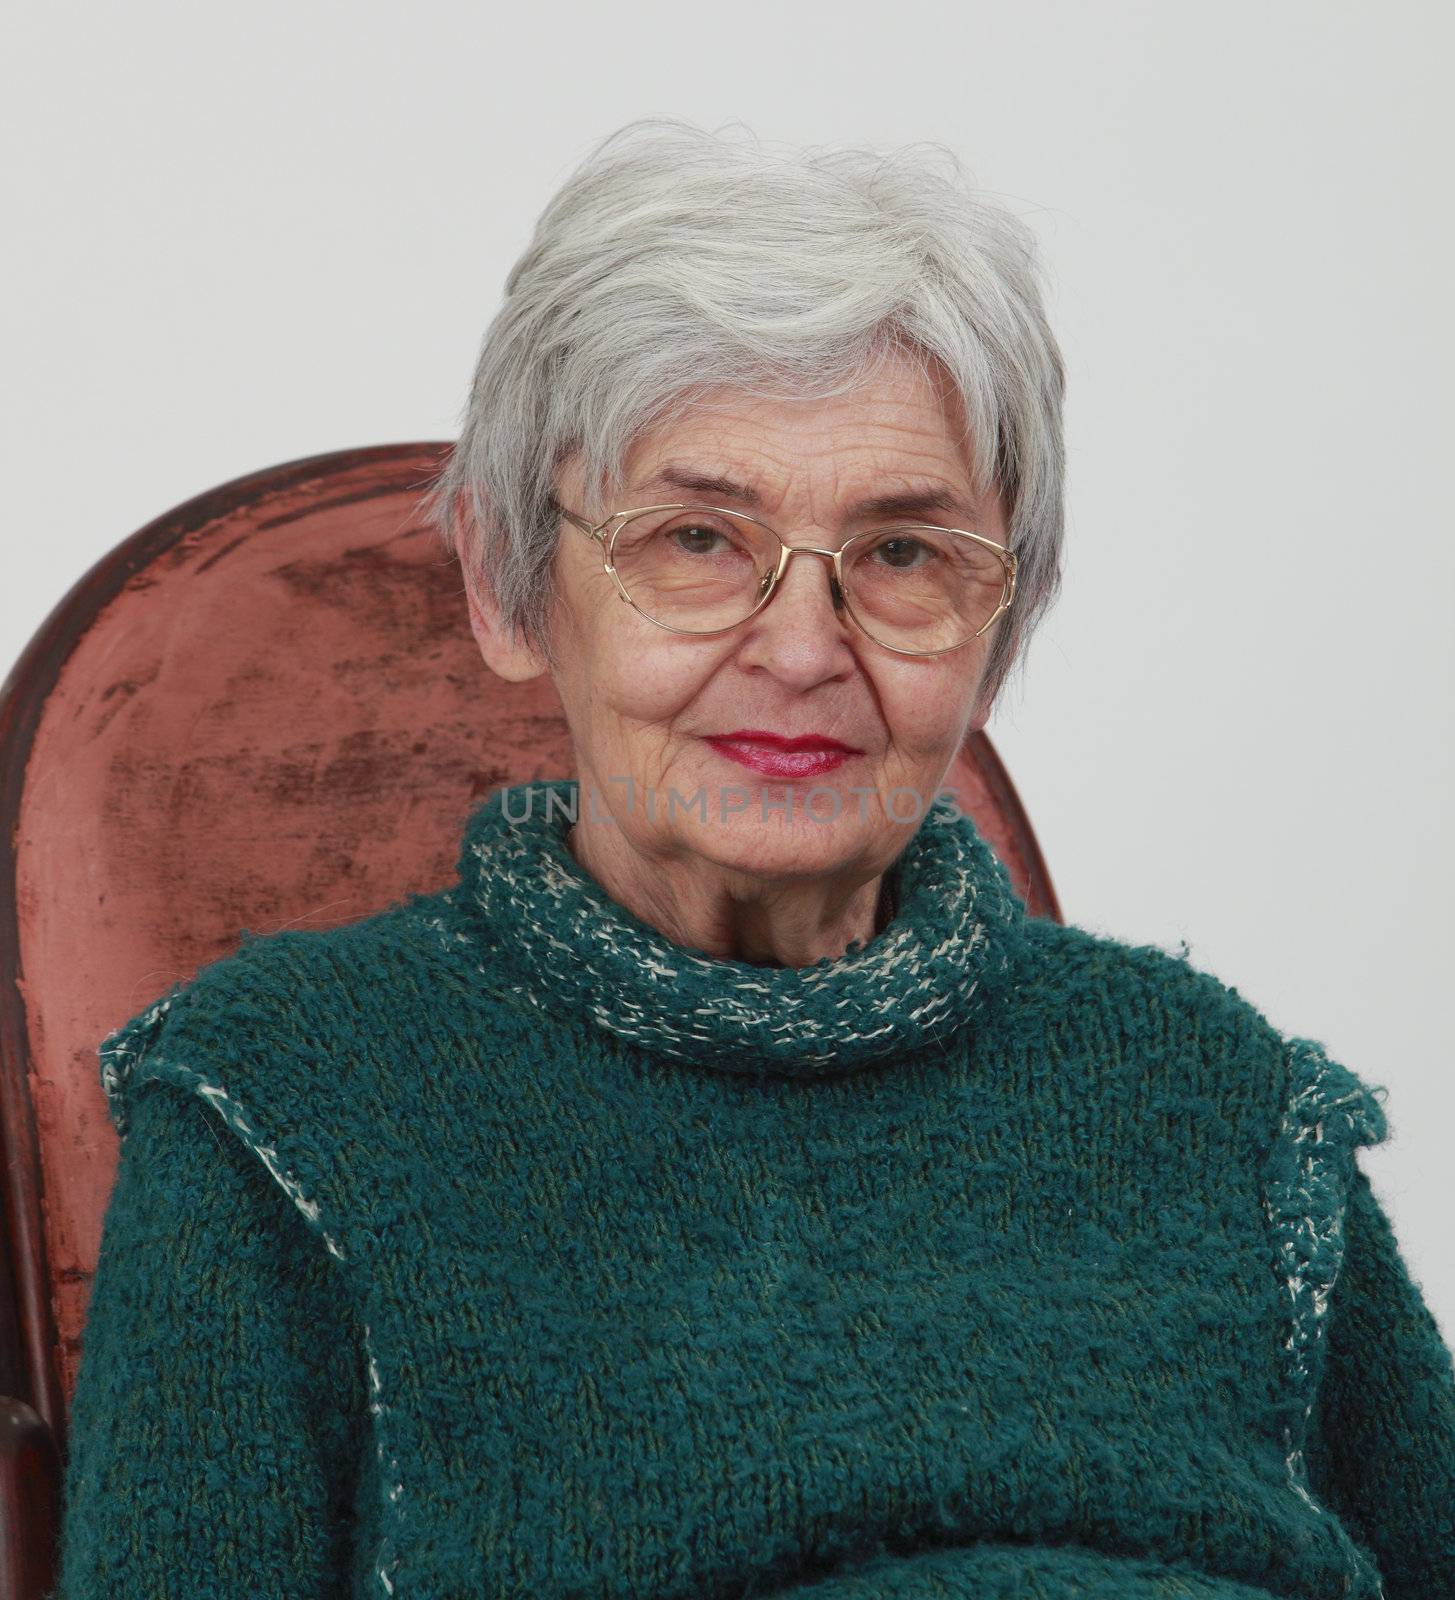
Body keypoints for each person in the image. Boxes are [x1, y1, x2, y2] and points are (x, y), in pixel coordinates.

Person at [53, 117, 1454, 1600]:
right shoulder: (283, 1101)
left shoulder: (1214, 1094)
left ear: (1006, 622)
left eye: (905, 555)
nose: (800, 650)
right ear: (507, 583)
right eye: (696, 541)